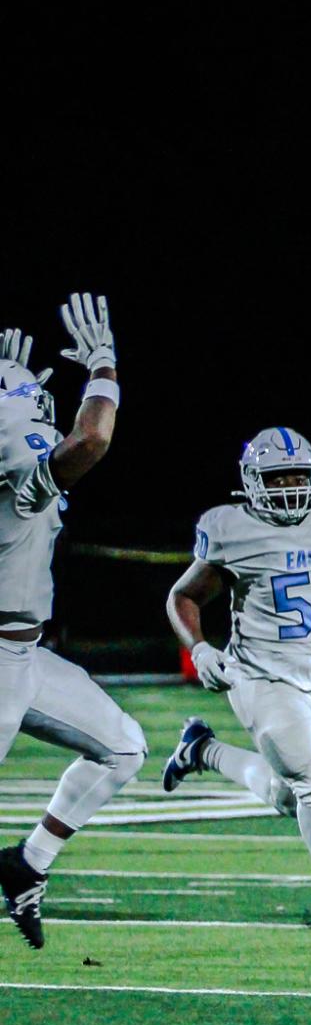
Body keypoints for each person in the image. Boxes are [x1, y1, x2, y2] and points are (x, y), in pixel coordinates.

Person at [162, 428, 311, 936]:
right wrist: (199, 649)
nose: (288, 487)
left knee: (294, 797)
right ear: (251, 482)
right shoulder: (233, 528)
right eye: (276, 477)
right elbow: (183, 597)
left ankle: (203, 752)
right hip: (259, 675)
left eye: (297, 477)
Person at [0, 295, 149, 951]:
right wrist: (104, 366)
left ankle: (27, 863)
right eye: (30, 405)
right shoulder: (16, 478)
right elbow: (92, 438)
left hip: (23, 657)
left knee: (123, 746)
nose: (42, 413)